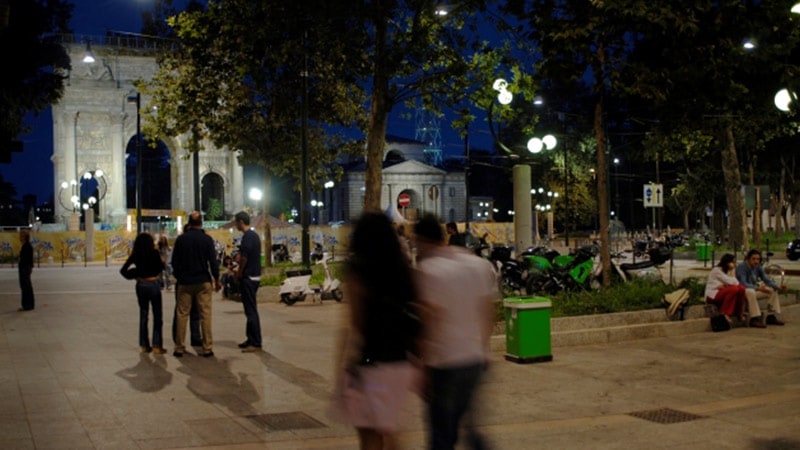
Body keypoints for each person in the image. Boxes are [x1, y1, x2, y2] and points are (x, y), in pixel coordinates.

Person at [332, 212, 420, 450]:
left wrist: (342, 367)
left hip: (370, 366)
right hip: (399, 365)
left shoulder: (358, 269)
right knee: (389, 429)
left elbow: (355, 324)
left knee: (370, 436)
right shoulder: (403, 269)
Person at [414, 213, 498, 450]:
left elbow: (431, 320)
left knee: (442, 436)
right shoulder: (477, 264)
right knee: (469, 428)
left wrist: (423, 366)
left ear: (421, 240)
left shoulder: (429, 270)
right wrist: (483, 349)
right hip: (473, 359)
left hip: (445, 365)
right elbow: (487, 312)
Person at [171, 211, 222, 357]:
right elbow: (213, 262)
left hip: (185, 282)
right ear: (201, 223)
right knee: (205, 314)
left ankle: (179, 346)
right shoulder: (207, 240)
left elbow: (174, 262)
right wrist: (216, 279)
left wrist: (179, 276)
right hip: (203, 281)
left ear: (189, 223)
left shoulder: (181, 240)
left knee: (182, 314)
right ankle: (207, 347)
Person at [120, 233, 166, 353]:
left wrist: (136, 274)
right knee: (157, 315)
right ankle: (157, 345)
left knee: (144, 314)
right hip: (153, 284)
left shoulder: (136, 254)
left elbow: (123, 270)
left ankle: (144, 344)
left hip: (141, 285)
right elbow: (160, 268)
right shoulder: (154, 253)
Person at [234, 211, 263, 353]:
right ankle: (250, 338)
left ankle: (256, 342)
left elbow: (244, 258)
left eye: (236, 222)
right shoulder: (253, 236)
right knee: (249, 309)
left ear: (240, 222)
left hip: (249, 277)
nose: (235, 225)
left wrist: (239, 273)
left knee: (251, 310)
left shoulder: (247, 237)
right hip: (255, 275)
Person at [735, 249, 786, 328]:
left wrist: (777, 287)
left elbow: (766, 280)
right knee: (750, 291)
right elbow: (743, 283)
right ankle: (754, 318)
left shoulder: (758, 267)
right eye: (753, 259)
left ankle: (771, 316)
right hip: (743, 291)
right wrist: (758, 288)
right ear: (748, 259)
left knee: (772, 290)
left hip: (755, 290)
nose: (756, 261)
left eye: (758, 259)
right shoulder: (742, 267)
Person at [703, 253, 746, 326]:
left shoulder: (728, 271)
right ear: (727, 263)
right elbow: (733, 283)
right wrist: (732, 271)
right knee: (734, 289)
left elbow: (736, 283)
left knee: (741, 289)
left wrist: (731, 275)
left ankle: (739, 313)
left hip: (722, 293)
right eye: (733, 262)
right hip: (712, 295)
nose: (735, 264)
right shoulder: (717, 270)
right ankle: (725, 313)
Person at [18, 229, 35, 311]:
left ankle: (27, 305)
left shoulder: (27, 246)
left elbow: (27, 259)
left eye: (21, 235)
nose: (20, 237)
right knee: (26, 286)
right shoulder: (26, 245)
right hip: (26, 267)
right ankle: (29, 304)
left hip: (25, 267)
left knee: (25, 286)